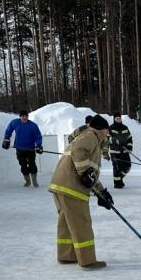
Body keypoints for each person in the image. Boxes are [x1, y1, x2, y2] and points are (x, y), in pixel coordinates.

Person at [49, 115, 114, 271]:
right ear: (102, 130)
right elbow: (80, 155)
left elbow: (89, 176)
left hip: (60, 185)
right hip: (71, 188)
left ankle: (66, 255)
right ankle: (87, 260)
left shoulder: (86, 136)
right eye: (107, 131)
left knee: (66, 223)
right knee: (81, 223)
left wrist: (101, 192)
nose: (107, 135)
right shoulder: (91, 136)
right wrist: (85, 172)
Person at [2, 110, 43, 187]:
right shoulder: (15, 122)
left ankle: (34, 181)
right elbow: (8, 130)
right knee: (23, 165)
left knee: (32, 164)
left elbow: (38, 136)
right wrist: (6, 139)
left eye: (26, 116)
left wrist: (39, 145)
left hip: (30, 149)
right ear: (20, 117)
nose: (24, 118)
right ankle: (27, 181)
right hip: (19, 148)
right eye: (23, 116)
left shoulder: (33, 125)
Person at [108, 113, 133, 188]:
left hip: (124, 151)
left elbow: (129, 138)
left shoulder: (125, 128)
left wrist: (129, 147)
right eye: (117, 118)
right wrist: (114, 140)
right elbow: (107, 138)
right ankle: (117, 183)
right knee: (117, 168)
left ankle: (120, 178)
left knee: (127, 166)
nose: (118, 119)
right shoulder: (111, 128)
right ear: (114, 119)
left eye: (119, 118)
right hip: (115, 152)